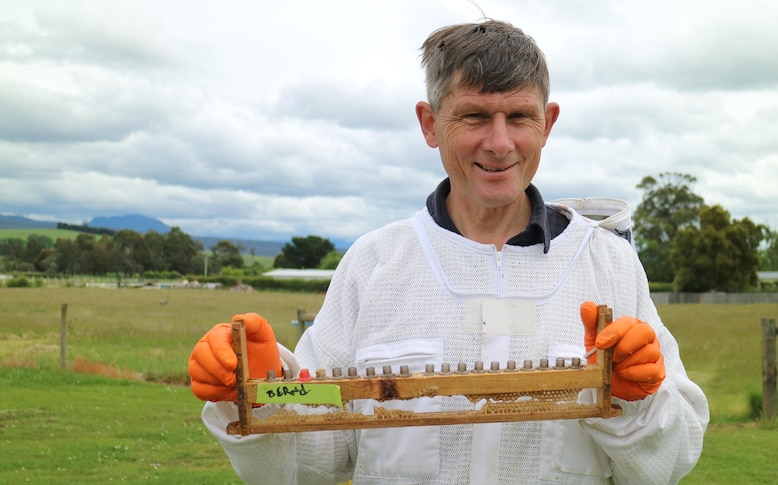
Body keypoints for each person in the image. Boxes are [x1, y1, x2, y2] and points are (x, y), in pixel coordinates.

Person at [189, 19, 709, 484]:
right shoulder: (375, 265)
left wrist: (637, 402)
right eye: (475, 116)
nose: (500, 143)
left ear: (547, 123)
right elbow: (318, 454)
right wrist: (267, 388)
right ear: (430, 123)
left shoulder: (608, 265)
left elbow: (673, 458)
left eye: (520, 117)